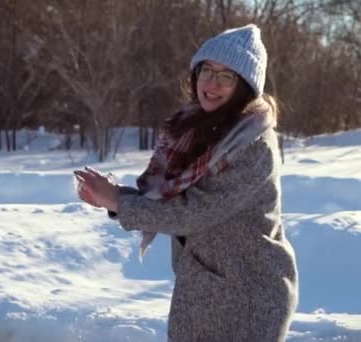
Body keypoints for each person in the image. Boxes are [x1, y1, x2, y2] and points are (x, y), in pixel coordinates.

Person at [75, 24, 298, 341]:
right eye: (207, 70)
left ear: (245, 87)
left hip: (247, 295)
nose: (212, 83)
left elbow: (192, 213)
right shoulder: (195, 128)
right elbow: (168, 198)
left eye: (227, 76)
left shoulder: (252, 144)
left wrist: (118, 202)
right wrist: (111, 198)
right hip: (204, 286)